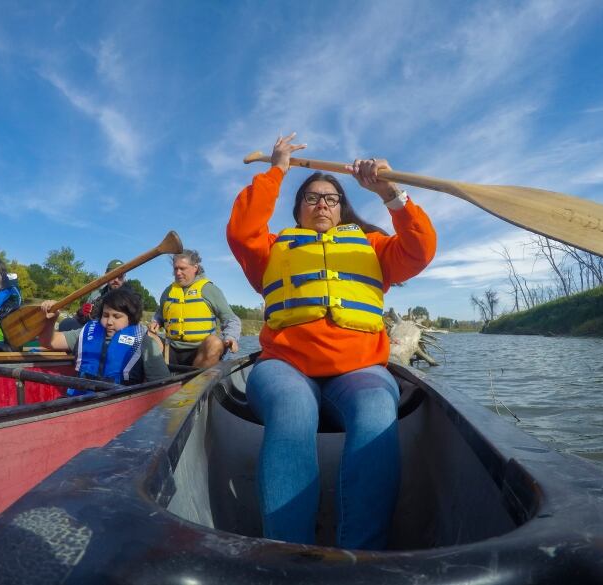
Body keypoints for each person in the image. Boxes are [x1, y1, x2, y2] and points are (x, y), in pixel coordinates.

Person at [226, 133, 437, 550]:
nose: (322, 203)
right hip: (284, 367)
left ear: (343, 208)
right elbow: (241, 229)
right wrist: (277, 169)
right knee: (292, 407)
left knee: (378, 408)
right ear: (298, 207)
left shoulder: (374, 247)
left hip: (358, 370)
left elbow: (420, 250)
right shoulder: (269, 249)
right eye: (312, 198)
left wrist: (390, 194)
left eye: (332, 198)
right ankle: (289, 556)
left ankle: (359, 556)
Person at [39, 287, 170, 392]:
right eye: (105, 315)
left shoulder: (145, 343)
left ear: (130, 319)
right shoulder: (87, 333)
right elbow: (48, 342)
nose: (109, 322)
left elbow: (163, 387)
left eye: (117, 316)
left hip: (120, 409)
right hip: (79, 403)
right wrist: (51, 320)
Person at [149, 250, 241, 368]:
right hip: (170, 349)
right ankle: (156, 378)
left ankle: (196, 379)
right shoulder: (168, 292)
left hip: (200, 352)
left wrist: (231, 337)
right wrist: (155, 322)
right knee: (149, 336)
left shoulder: (209, 290)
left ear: (195, 268)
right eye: (175, 268)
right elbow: (160, 314)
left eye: (182, 268)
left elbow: (232, 320)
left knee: (215, 343)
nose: (178, 273)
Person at [58, 258, 126, 331]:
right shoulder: (96, 294)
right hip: (92, 329)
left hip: (116, 332)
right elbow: (80, 318)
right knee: (66, 323)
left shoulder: (130, 298)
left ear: (124, 277)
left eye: (120, 276)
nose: (116, 280)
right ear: (106, 275)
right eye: (113, 275)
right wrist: (82, 313)